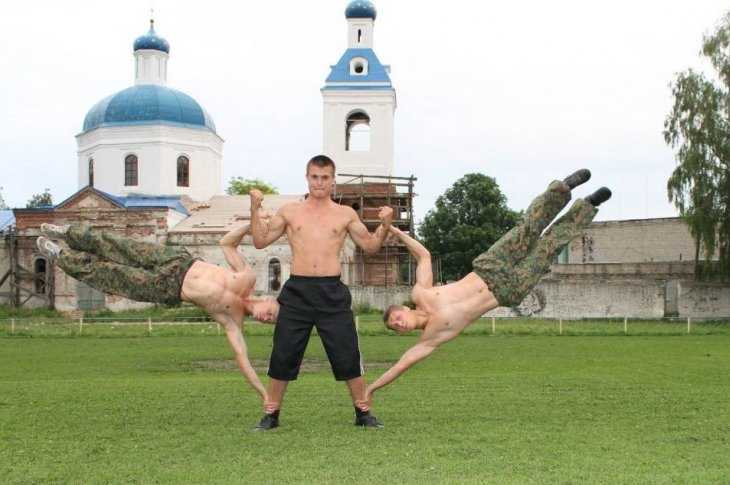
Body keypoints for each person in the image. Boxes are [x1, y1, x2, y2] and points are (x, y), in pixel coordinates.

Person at [365, 170, 612, 403]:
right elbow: (401, 365)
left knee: (527, 228)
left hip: (490, 267)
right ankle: (587, 206)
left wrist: (392, 228)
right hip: (508, 289)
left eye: (396, 318)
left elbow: (423, 255)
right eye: (395, 327)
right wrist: (371, 388)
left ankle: (562, 188)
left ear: (404, 309)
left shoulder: (422, 293)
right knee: (549, 247)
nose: (398, 324)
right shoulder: (430, 338)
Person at [36, 222, 279, 403]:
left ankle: (61, 255)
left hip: (166, 288)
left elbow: (243, 360)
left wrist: (264, 394)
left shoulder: (233, 320)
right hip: (177, 261)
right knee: (120, 246)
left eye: (269, 322)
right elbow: (227, 243)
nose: (265, 318)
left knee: (110, 277)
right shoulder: (247, 276)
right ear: (269, 301)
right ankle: (68, 233)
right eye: (271, 314)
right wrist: (250, 225)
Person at [249, 154, 393, 430]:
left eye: (325, 178)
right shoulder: (290, 211)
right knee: (283, 353)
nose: (319, 182)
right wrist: (254, 209)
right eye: (314, 177)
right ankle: (271, 414)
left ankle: (363, 413)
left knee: (347, 352)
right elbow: (260, 240)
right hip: (298, 291)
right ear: (307, 178)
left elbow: (370, 247)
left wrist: (385, 225)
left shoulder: (345, 214)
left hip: (332, 291)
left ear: (333, 181)